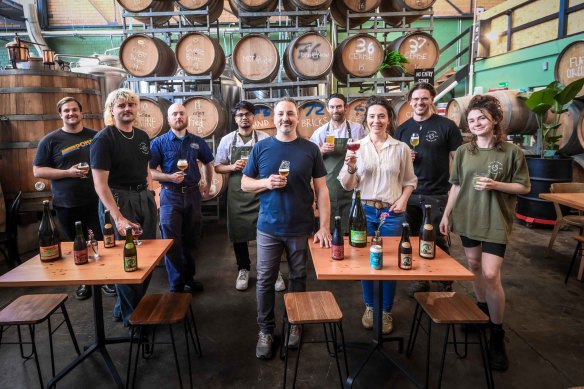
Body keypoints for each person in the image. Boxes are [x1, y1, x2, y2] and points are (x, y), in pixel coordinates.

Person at [439, 95, 530, 371]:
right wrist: (446, 214)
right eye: (472, 120)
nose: (476, 123)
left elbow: (524, 187)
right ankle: (480, 309)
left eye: (481, 118)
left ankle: (497, 332)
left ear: (494, 121)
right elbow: (455, 185)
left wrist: (496, 185)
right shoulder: (466, 152)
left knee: (491, 273)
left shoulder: (512, 152)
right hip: (468, 216)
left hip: (494, 220)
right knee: (475, 266)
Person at [241, 97, 331, 359]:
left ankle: (295, 324)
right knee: (265, 280)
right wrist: (265, 183)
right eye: (280, 114)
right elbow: (245, 183)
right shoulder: (262, 148)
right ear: (274, 118)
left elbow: (322, 189)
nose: (285, 118)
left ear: (297, 117)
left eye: (290, 113)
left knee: (298, 277)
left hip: (300, 227)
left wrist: (323, 226)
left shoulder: (310, 149)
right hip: (268, 226)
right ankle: (265, 330)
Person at [338, 96, 417, 335]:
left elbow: (410, 181)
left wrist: (403, 200)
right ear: (365, 120)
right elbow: (348, 185)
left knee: (389, 263)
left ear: (389, 119)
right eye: (372, 116)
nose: (376, 120)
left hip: (391, 213)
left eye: (381, 115)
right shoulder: (356, 147)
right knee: (366, 263)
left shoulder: (401, 148)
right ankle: (370, 307)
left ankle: (386, 310)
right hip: (363, 212)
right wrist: (351, 167)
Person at [33, 97, 115, 301]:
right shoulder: (50, 140)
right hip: (66, 202)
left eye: (75, 110)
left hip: (95, 201)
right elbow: (38, 170)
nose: (71, 114)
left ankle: (103, 279)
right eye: (66, 111)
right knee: (75, 244)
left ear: (82, 113)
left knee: (98, 240)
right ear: (60, 114)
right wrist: (68, 173)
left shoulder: (96, 137)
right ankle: (84, 281)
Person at [90, 88, 157, 327]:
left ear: (137, 108)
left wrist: (151, 194)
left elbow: (146, 168)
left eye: (131, 104)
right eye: (121, 105)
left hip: (143, 197)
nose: (127, 108)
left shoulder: (142, 136)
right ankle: (134, 320)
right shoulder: (104, 138)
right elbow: (100, 185)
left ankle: (123, 309)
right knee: (127, 260)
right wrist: (117, 217)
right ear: (112, 110)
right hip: (118, 199)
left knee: (147, 257)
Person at [394, 82, 463, 297]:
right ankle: (420, 279)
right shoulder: (403, 129)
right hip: (409, 192)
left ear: (432, 99)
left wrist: (458, 186)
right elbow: (394, 161)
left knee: (437, 239)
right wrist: (405, 158)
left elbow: (457, 159)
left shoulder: (447, 126)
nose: (420, 102)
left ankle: (443, 278)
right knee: (412, 236)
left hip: (437, 192)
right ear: (409, 102)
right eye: (415, 99)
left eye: (424, 98)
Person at [215, 101, 289, 292]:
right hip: (237, 193)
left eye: (248, 114)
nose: (244, 118)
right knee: (239, 233)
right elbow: (217, 166)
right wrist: (232, 167)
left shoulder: (265, 138)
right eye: (240, 115)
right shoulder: (227, 140)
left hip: (261, 192)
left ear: (253, 117)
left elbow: (274, 163)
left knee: (268, 232)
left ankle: (273, 271)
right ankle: (243, 268)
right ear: (235, 118)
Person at [150, 103, 213, 293]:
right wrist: (169, 177)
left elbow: (208, 163)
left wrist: (208, 186)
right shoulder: (159, 143)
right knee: (171, 242)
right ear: (168, 119)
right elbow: (151, 171)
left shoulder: (196, 141)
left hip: (193, 195)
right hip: (170, 195)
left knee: (191, 240)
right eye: (174, 114)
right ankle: (176, 285)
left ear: (187, 117)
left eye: (181, 114)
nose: (178, 117)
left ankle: (189, 278)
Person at [309, 93, 367, 233]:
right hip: (330, 186)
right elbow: (310, 160)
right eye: (332, 107)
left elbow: (367, 152)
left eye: (339, 106)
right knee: (332, 226)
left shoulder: (357, 129)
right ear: (328, 109)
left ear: (346, 108)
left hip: (354, 183)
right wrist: (321, 151)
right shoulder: (320, 132)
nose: (336, 110)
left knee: (353, 224)